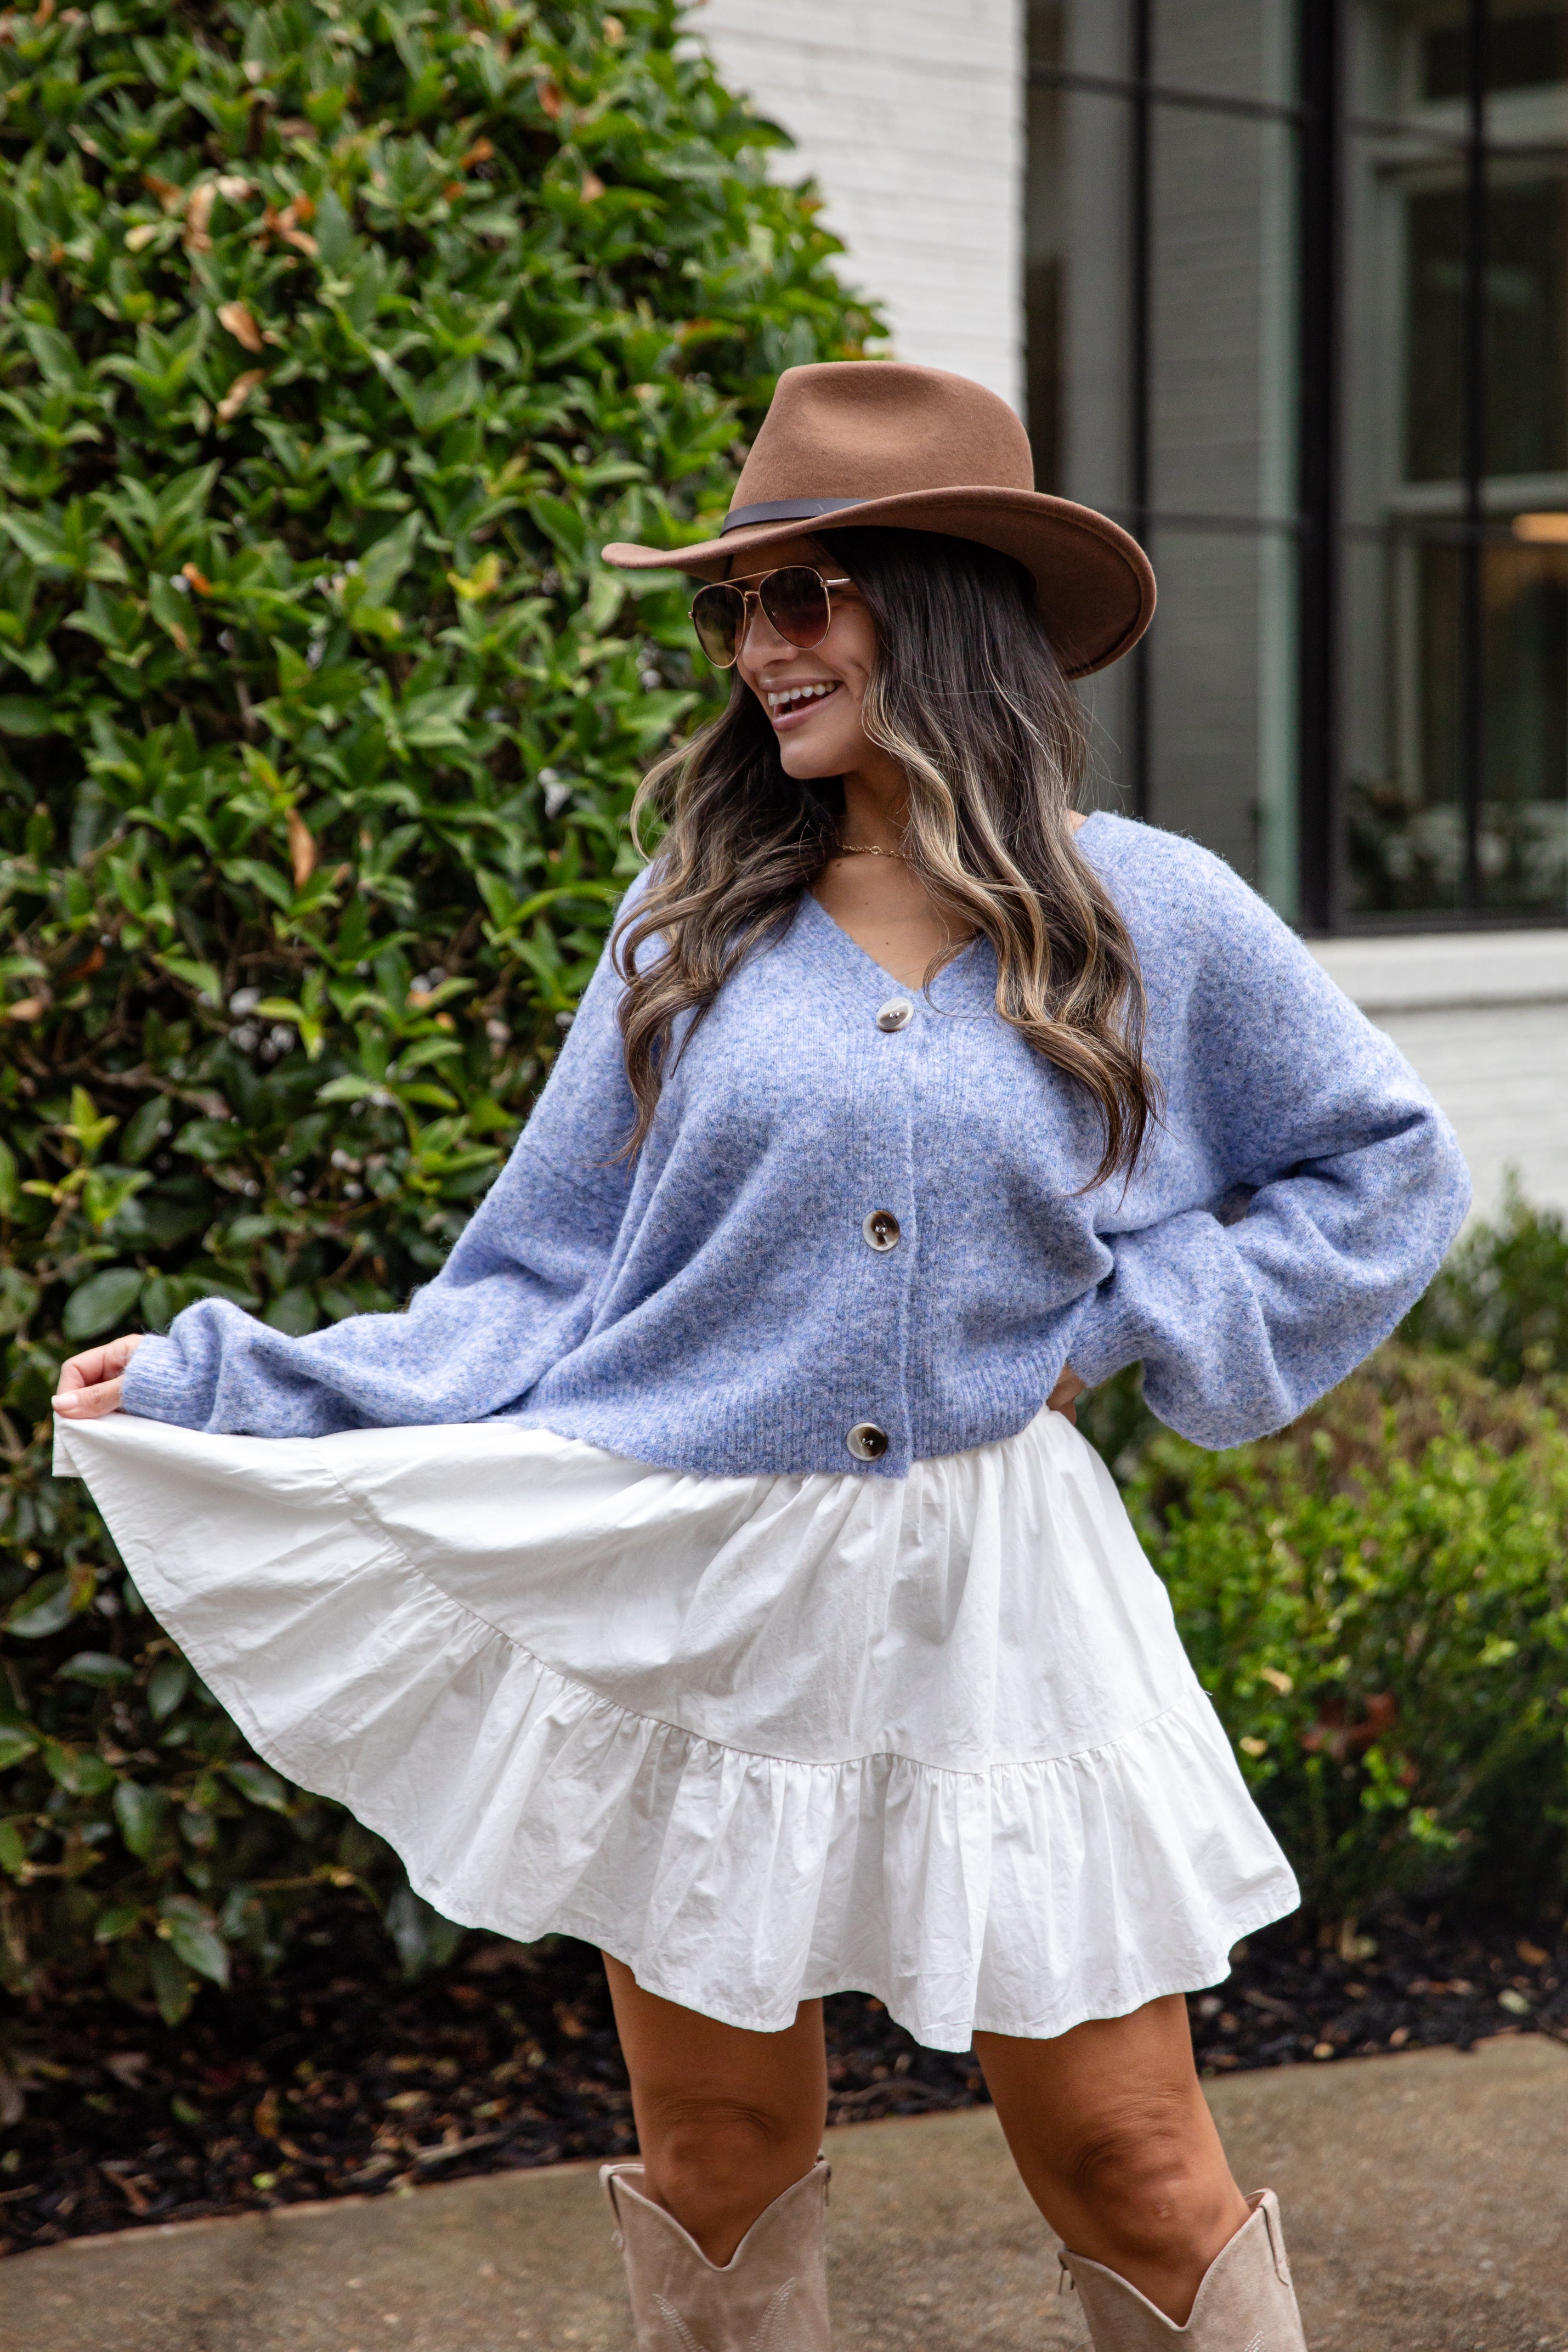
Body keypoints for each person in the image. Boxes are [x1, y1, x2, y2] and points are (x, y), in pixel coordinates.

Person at [53, 361, 1469, 2352]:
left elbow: (1386, 1169)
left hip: (999, 1598)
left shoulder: (1144, 911)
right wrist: (236, 1382)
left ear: (945, 609)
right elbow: (540, 1277)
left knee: (1131, 2157)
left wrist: (1128, 1325)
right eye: (736, 606)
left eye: (805, 596)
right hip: (698, 1585)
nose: (755, 647)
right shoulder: (692, 923)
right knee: (715, 2144)